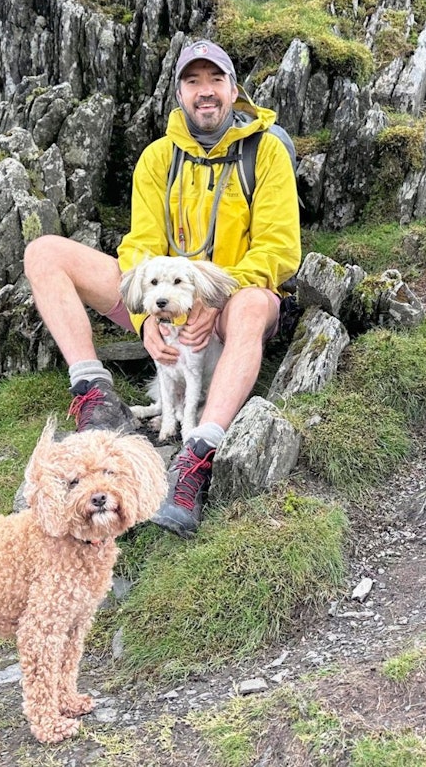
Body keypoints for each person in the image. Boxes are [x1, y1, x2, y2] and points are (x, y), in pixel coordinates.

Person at [24, 39, 301, 538]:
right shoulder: (157, 159)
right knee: (43, 252)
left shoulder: (267, 153)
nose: (206, 92)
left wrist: (210, 301)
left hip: (233, 298)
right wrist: (146, 317)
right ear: (179, 93)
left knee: (254, 303)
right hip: (161, 296)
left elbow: (279, 249)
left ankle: (196, 457)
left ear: (233, 90)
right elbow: (141, 245)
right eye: (193, 82)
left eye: (215, 80)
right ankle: (96, 395)